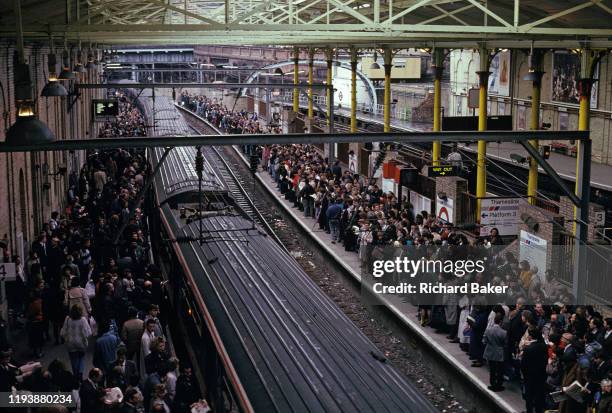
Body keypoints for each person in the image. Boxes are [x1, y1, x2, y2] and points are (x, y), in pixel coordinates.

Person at [60, 304, 92, 381]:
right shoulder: (83, 320)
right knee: (81, 358)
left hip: (70, 343)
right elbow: (88, 333)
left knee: (73, 359)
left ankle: (75, 375)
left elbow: (63, 332)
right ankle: (80, 374)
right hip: (81, 343)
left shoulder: (67, 319)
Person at [521, 327, 548, 413]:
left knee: (529, 396)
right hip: (541, 375)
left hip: (530, 376)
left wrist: (525, 375)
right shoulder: (544, 347)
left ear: (531, 337)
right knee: (538, 396)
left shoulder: (528, 349)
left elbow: (523, 365)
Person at [483, 312, 507, 391]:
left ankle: (492, 384)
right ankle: (498, 385)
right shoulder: (504, 332)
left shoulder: (488, 330)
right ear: (501, 321)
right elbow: (505, 343)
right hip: (499, 353)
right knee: (500, 370)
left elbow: (484, 341)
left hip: (490, 352)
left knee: (492, 369)